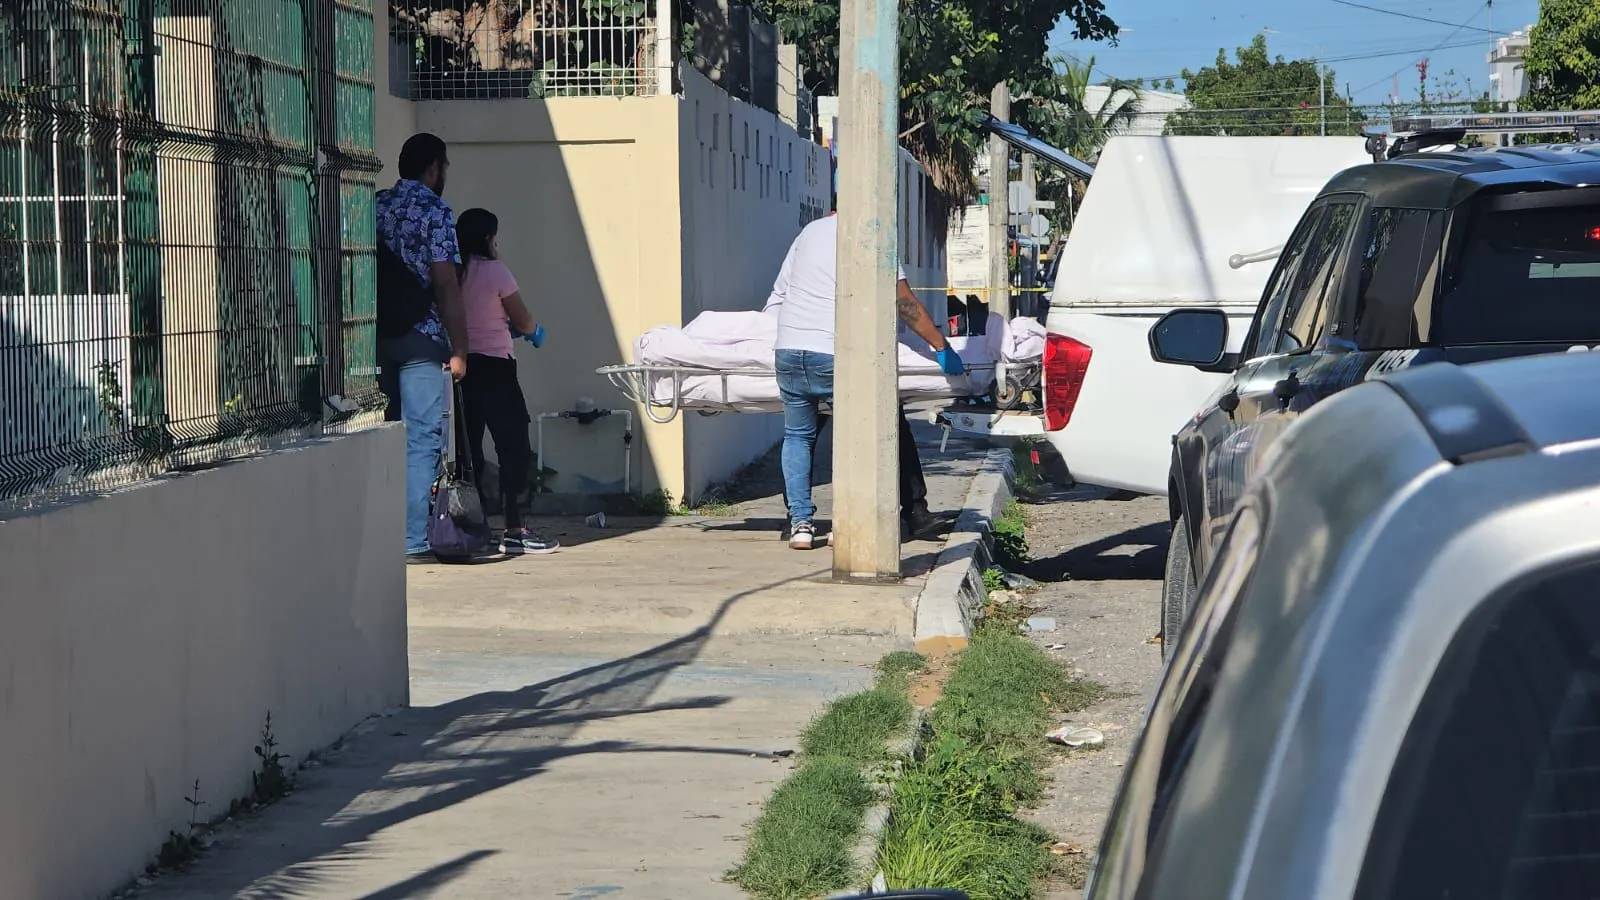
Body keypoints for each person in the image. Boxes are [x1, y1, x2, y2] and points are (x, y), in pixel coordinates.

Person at [765, 207, 963, 550]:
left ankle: (799, 524)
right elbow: (904, 303)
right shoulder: (873, 232)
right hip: (833, 352)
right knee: (872, 428)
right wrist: (941, 347)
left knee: (798, 436)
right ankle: (873, 519)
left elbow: (778, 298)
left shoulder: (809, 232)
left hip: (789, 349)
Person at [376, 133, 470, 562]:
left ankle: (378, 532)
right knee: (420, 440)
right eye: (444, 167)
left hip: (374, 337)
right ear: (433, 168)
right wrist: (460, 348)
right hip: (422, 337)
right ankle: (412, 539)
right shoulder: (436, 211)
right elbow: (446, 283)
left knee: (383, 437)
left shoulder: (376, 204)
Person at [454, 208, 559, 556]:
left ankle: (472, 528)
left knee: (468, 452)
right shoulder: (495, 270)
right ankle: (515, 529)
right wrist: (532, 332)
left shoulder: (452, 272)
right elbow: (524, 320)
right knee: (513, 448)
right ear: (488, 238)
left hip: (461, 370)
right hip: (497, 369)